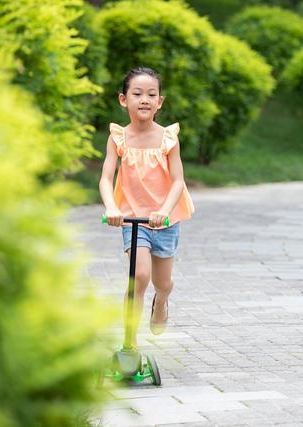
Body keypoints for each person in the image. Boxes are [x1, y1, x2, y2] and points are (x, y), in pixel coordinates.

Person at [99, 67, 194, 358]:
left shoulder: (168, 138)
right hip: (133, 219)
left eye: (151, 94)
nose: (144, 99)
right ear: (123, 99)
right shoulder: (119, 138)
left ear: (160, 102)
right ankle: (130, 344)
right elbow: (106, 178)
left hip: (164, 220)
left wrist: (164, 211)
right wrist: (112, 207)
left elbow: (178, 180)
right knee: (138, 277)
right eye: (137, 94)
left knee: (161, 283)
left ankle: (162, 301)